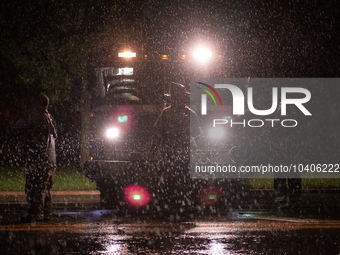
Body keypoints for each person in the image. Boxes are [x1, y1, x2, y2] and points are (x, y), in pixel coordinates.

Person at [152, 82, 200, 214]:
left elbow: (157, 132)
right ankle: (185, 203)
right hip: (184, 153)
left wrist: (154, 147)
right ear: (184, 98)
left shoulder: (166, 113)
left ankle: (167, 204)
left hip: (169, 154)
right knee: (185, 179)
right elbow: (197, 133)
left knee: (167, 179)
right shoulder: (190, 114)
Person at [23, 93, 57, 222]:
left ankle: (35, 215)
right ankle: (46, 213)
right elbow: (53, 137)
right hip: (50, 160)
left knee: (36, 188)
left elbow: (37, 141)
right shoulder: (50, 118)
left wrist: (31, 156)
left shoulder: (39, 119)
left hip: (41, 160)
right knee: (46, 189)